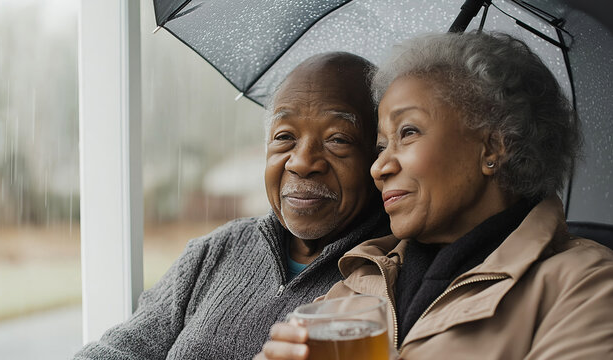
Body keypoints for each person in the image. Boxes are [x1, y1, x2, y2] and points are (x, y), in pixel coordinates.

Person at [257, 31, 613, 360]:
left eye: (408, 132)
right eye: (381, 146)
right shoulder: (357, 287)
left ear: (494, 146)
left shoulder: (588, 288)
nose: (379, 167)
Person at [74, 52, 390, 360]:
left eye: (338, 139)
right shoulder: (216, 250)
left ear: (379, 155)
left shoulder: (393, 273)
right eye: (284, 136)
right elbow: (117, 350)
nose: (302, 162)